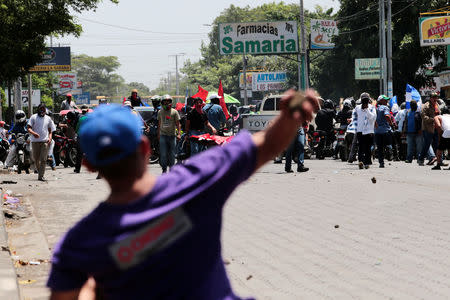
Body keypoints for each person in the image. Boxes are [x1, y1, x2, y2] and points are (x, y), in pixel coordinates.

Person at [46, 89, 319, 300]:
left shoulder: (81, 242)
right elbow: (267, 144)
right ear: (145, 148)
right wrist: (292, 114)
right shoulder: (195, 183)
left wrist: (95, 285)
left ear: (89, 164)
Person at [27, 103, 56, 181]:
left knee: (43, 159)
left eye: (44, 109)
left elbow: (50, 131)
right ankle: (40, 172)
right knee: (36, 159)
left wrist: (50, 138)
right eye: (41, 109)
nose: (42, 110)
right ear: (38, 109)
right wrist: (34, 133)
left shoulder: (48, 118)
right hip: (35, 142)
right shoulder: (33, 117)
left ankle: (41, 176)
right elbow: (28, 128)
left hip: (44, 142)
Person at [158, 95, 181, 173]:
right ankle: (164, 169)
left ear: (171, 102)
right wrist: (158, 134)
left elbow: (178, 124)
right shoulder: (160, 112)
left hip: (172, 136)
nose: (167, 103)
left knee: (172, 154)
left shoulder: (174, 111)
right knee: (163, 153)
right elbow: (159, 124)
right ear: (162, 102)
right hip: (163, 135)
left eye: (168, 101)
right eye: (165, 101)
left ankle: (172, 169)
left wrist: (179, 134)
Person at [354, 92, 376, 169]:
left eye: (366, 100)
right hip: (360, 130)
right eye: (364, 100)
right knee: (361, 147)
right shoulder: (357, 108)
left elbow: (373, 118)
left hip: (369, 131)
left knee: (368, 147)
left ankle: (367, 162)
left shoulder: (372, 108)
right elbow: (354, 117)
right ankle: (361, 162)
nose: (365, 102)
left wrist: (367, 110)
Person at [418, 92, 440, 166]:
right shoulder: (426, 106)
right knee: (426, 144)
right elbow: (424, 117)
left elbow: (439, 114)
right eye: (434, 97)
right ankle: (421, 159)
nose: (435, 99)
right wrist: (433, 119)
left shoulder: (437, 105)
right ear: (430, 98)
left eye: (436, 97)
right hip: (428, 128)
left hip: (437, 127)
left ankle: (440, 160)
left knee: (438, 145)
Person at [374, 95, 394, 168]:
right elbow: (387, 116)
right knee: (391, 143)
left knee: (379, 148)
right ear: (381, 101)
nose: (386, 101)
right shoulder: (385, 107)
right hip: (385, 131)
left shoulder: (375, 108)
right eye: (385, 100)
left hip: (377, 131)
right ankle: (391, 154)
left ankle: (381, 162)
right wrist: (391, 124)